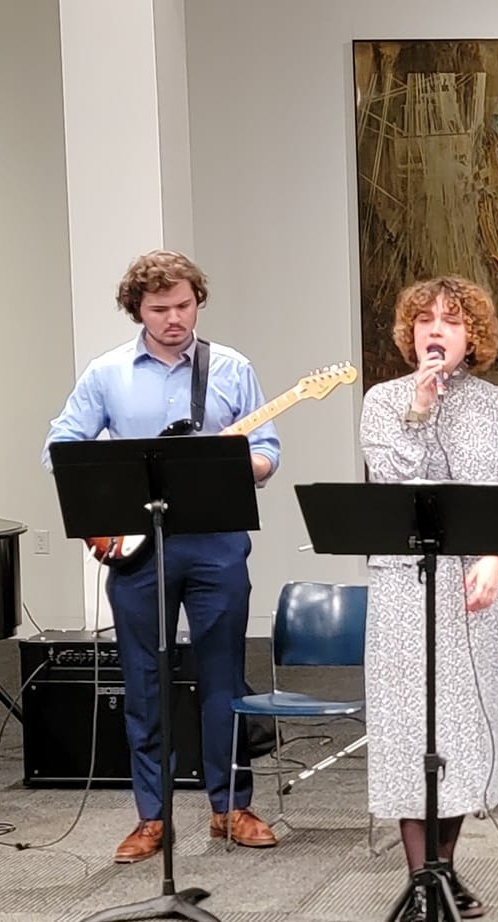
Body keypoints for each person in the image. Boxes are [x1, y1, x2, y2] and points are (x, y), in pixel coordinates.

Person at [42, 250, 280, 862]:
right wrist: (99, 518)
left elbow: (268, 453)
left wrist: (239, 461)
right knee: (144, 682)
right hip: (140, 548)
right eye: (159, 309)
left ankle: (231, 807)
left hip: (217, 544)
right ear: (136, 310)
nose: (174, 318)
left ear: (198, 301)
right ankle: (152, 817)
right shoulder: (107, 373)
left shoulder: (231, 367)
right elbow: (61, 450)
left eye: (184, 305)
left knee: (223, 676)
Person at [360, 275, 498, 921]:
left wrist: (495, 557)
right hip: (405, 587)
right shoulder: (382, 401)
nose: (436, 330)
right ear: (410, 333)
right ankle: (419, 878)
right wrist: (420, 408)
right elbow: (393, 478)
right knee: (413, 730)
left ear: (472, 336)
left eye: (451, 321)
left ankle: (446, 868)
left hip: (475, 589)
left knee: (462, 729)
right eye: (425, 319)